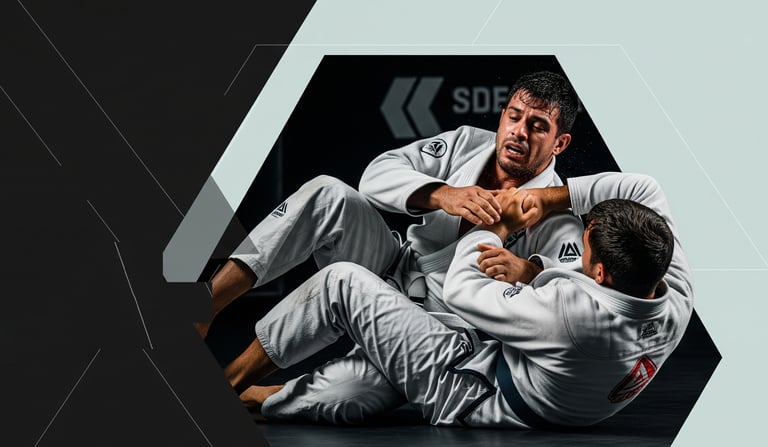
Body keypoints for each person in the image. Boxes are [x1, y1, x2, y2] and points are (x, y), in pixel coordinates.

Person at [198, 71, 586, 423]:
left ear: (560, 143)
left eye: (537, 126)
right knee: (327, 194)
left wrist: (528, 271)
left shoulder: (558, 219)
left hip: (437, 331)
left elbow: (573, 301)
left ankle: (255, 396)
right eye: (514, 117)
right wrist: (442, 194)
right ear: (502, 117)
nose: (519, 132)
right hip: (395, 266)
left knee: (346, 397)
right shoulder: (466, 143)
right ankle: (205, 306)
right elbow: (376, 175)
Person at [238, 171, 693, 428]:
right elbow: (645, 189)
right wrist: (545, 200)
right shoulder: (672, 287)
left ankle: (229, 384)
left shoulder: (572, 318)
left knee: (343, 283)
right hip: (519, 362)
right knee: (354, 390)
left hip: (469, 388)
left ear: (600, 274)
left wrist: (500, 225)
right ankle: (268, 392)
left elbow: (460, 288)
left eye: (587, 246)